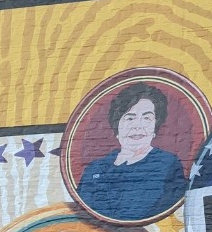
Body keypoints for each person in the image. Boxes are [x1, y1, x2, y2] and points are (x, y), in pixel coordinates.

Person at [77, 82, 187, 223]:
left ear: (155, 125)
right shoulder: (94, 169)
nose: (137, 126)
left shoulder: (167, 165)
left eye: (147, 118)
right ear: (117, 125)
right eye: (130, 118)